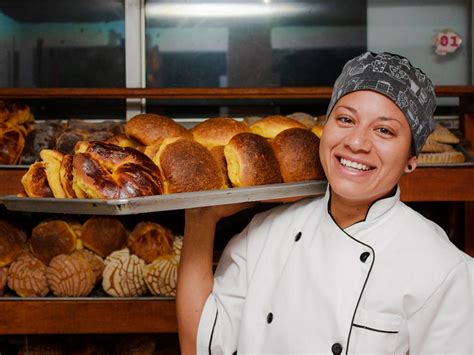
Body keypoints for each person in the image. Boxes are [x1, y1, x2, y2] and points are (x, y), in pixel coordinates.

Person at [176, 52, 474, 354]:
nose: (356, 142)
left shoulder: (444, 270)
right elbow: (201, 348)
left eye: (384, 130)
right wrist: (200, 218)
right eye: (345, 119)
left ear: (411, 159)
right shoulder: (264, 235)